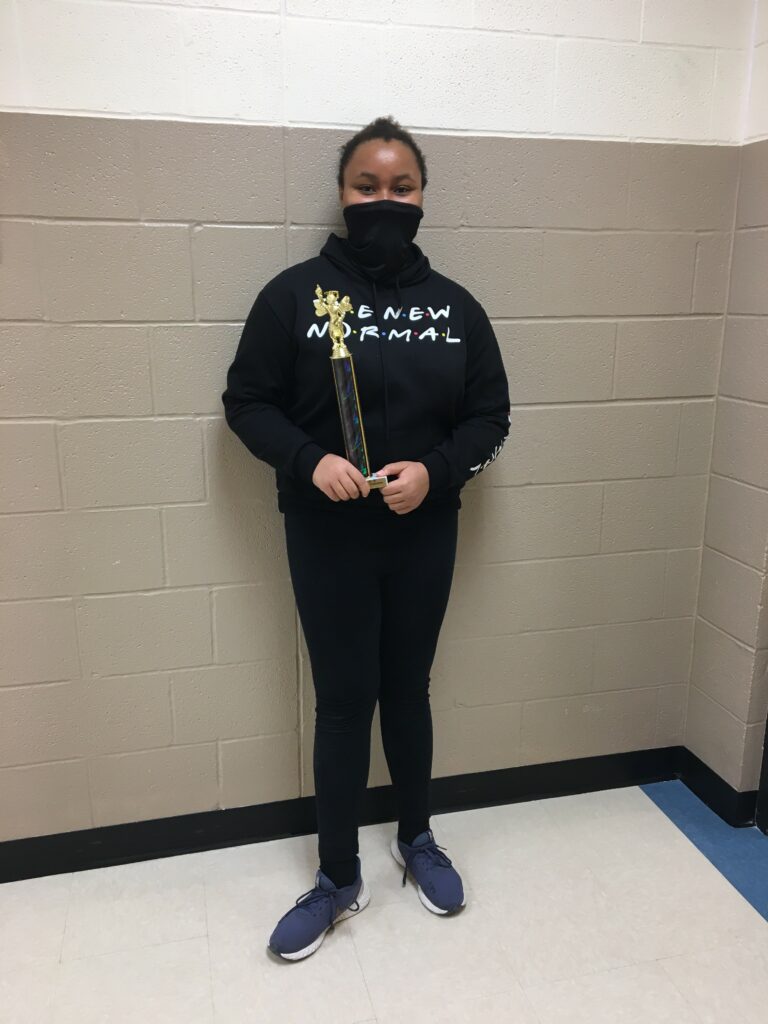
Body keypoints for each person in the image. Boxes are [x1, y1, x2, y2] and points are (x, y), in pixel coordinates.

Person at [221, 115, 511, 961]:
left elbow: (492, 416)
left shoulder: (457, 309)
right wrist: (309, 461)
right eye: (367, 187)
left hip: (424, 533)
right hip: (327, 536)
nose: (384, 201)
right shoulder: (293, 296)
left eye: (402, 188)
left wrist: (438, 471)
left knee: (410, 688)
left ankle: (417, 841)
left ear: (422, 196)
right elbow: (246, 403)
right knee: (345, 702)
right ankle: (338, 876)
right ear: (344, 195)